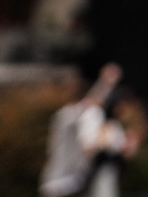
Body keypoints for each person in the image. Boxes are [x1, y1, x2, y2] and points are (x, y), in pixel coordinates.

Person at [39, 67, 126, 197]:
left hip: (71, 181)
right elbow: (89, 143)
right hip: (61, 180)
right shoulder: (69, 117)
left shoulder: (77, 116)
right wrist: (105, 83)